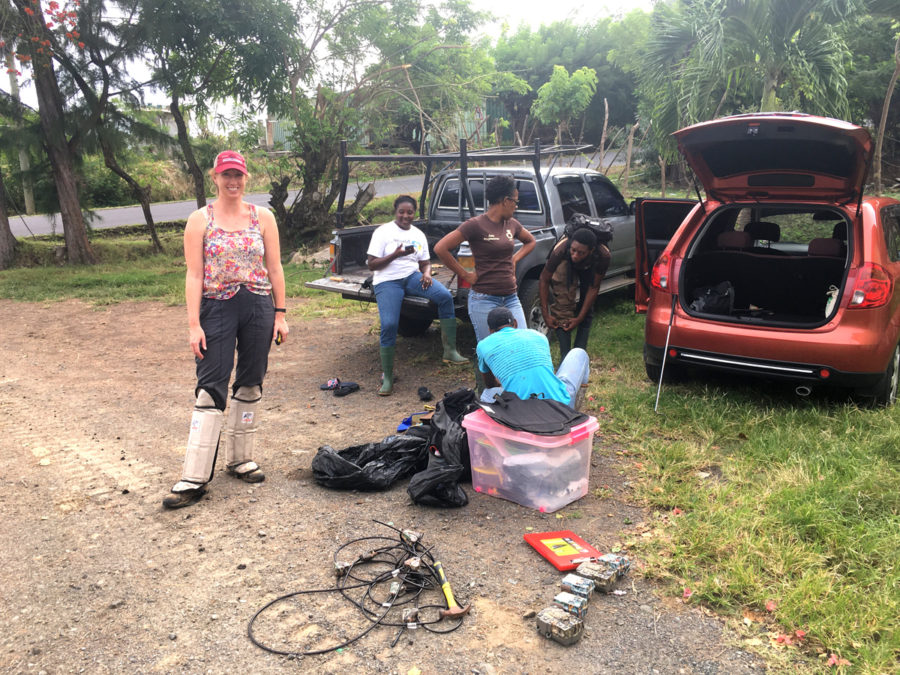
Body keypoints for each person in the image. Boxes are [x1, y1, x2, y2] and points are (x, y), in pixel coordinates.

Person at [163, 150, 288, 509]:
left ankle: (240, 458)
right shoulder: (199, 220)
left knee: (251, 380)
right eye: (226, 175)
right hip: (216, 306)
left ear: (246, 178)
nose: (233, 182)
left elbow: (275, 268)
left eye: (239, 175)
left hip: (258, 305)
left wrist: (280, 313)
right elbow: (194, 274)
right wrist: (192, 324)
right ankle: (195, 476)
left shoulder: (263, 217)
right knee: (210, 385)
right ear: (214, 177)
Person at [366, 195, 467, 396]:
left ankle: (450, 351)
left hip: (412, 277)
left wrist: (427, 274)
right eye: (401, 212)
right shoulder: (383, 232)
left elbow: (425, 262)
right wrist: (396, 255)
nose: (405, 216)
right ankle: (387, 376)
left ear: (415, 213)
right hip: (387, 281)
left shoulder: (418, 234)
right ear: (395, 211)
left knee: (445, 296)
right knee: (389, 325)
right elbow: (372, 264)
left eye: (409, 212)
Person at [433, 175, 536, 344]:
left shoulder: (512, 224)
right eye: (515, 202)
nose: (516, 207)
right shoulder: (475, 225)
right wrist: (465, 275)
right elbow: (441, 248)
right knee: (490, 351)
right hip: (484, 299)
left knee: (521, 344)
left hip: (510, 297)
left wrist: (515, 259)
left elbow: (530, 241)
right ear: (505, 200)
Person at [477, 306, 589, 409]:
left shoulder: (483, 345)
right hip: (560, 406)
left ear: (490, 331)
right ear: (515, 323)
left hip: (520, 413)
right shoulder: (538, 336)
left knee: (486, 394)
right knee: (579, 353)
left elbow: (490, 384)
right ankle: (574, 410)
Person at [539, 227, 610, 359]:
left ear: (591, 250)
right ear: (570, 245)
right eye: (573, 250)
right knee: (563, 306)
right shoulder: (560, 250)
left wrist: (580, 317)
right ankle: (565, 358)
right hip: (565, 264)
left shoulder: (603, 255)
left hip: (590, 267)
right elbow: (544, 279)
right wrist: (545, 313)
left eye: (581, 253)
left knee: (587, 309)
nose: (576, 255)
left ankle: (577, 357)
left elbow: (594, 287)